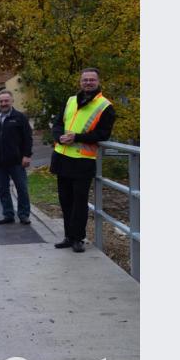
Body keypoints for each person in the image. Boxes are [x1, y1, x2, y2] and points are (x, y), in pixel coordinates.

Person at [50, 68, 116, 253]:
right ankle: (68, 236)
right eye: (85, 80)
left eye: (92, 80)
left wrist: (77, 137)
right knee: (65, 200)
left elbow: (103, 134)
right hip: (62, 157)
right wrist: (58, 137)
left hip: (82, 161)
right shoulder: (71, 100)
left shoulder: (105, 106)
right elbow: (57, 123)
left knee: (79, 202)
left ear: (98, 82)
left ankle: (78, 238)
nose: (88, 83)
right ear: (80, 82)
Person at [0, 90, 34, 225]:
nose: (4, 103)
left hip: (17, 161)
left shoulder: (20, 117)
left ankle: (23, 215)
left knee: (21, 189)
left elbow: (28, 139)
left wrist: (27, 156)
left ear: (12, 101)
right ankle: (8, 214)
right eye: (1, 101)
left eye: (6, 101)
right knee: (3, 189)